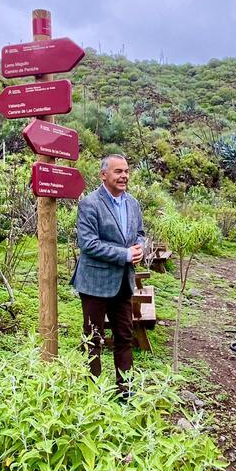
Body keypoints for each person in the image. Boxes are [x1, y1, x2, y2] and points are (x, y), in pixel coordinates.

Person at [71, 153, 145, 394]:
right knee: (93, 339)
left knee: (125, 336)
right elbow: (88, 243)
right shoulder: (90, 203)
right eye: (118, 171)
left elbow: (140, 233)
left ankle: (126, 391)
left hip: (123, 282)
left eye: (126, 171)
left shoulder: (133, 203)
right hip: (94, 282)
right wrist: (124, 254)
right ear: (103, 175)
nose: (123, 176)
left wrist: (140, 247)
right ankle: (93, 393)